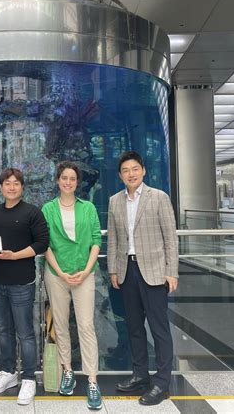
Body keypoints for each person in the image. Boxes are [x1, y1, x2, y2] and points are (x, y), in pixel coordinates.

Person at [107, 151, 178, 406]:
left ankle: (162, 382)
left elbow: (170, 237)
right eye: (126, 170)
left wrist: (172, 271)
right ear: (120, 175)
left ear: (143, 171)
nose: (131, 174)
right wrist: (113, 270)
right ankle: (140, 375)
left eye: (135, 169)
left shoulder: (158, 197)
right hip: (127, 271)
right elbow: (113, 238)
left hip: (155, 271)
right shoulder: (115, 201)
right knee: (134, 327)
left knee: (159, 329)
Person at [0, 168, 49, 405]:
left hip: (22, 282)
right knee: (4, 330)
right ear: (1, 187)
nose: (11, 187)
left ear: (22, 187)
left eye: (16, 183)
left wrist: (15, 255)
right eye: (7, 183)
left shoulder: (32, 212)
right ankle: (9, 372)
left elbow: (42, 243)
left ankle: (29, 378)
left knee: (25, 333)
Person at [41, 161, 103, 410]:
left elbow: (96, 240)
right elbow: (44, 243)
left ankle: (92, 380)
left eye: (72, 179)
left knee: (86, 326)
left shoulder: (88, 208)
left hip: (84, 274)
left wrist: (87, 270)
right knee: (61, 325)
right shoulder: (48, 209)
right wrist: (61, 273)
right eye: (64, 178)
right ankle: (67, 371)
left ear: (77, 182)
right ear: (58, 180)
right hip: (57, 275)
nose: (68, 182)